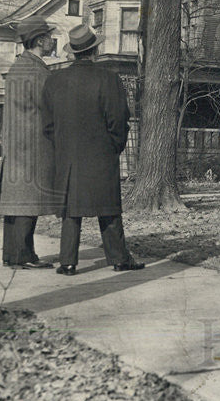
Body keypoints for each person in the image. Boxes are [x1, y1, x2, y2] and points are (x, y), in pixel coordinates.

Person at [42, 24, 144, 275]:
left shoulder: (55, 81)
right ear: (94, 51)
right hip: (101, 155)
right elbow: (119, 119)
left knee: (70, 210)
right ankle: (119, 259)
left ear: (74, 52)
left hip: (67, 157)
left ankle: (67, 262)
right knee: (108, 208)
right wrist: (114, 146)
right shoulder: (108, 79)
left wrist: (62, 147)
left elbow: (47, 125)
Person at [0, 17, 62, 269]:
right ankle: (23, 255)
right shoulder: (36, 70)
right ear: (40, 40)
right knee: (28, 199)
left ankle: (13, 254)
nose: (51, 41)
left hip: (17, 143)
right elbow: (49, 107)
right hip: (33, 144)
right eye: (48, 36)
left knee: (15, 199)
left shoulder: (18, 67)